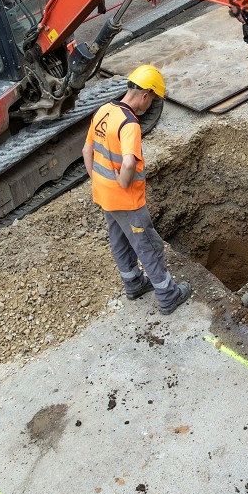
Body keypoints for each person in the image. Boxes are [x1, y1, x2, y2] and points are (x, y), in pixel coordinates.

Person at [82, 65, 191, 314]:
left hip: (104, 194)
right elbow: (129, 163)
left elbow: (87, 151)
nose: (150, 104)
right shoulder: (129, 123)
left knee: (119, 240)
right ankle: (168, 296)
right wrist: (122, 183)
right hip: (127, 200)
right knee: (148, 246)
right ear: (144, 95)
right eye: (151, 99)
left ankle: (133, 284)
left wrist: (98, 180)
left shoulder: (103, 110)